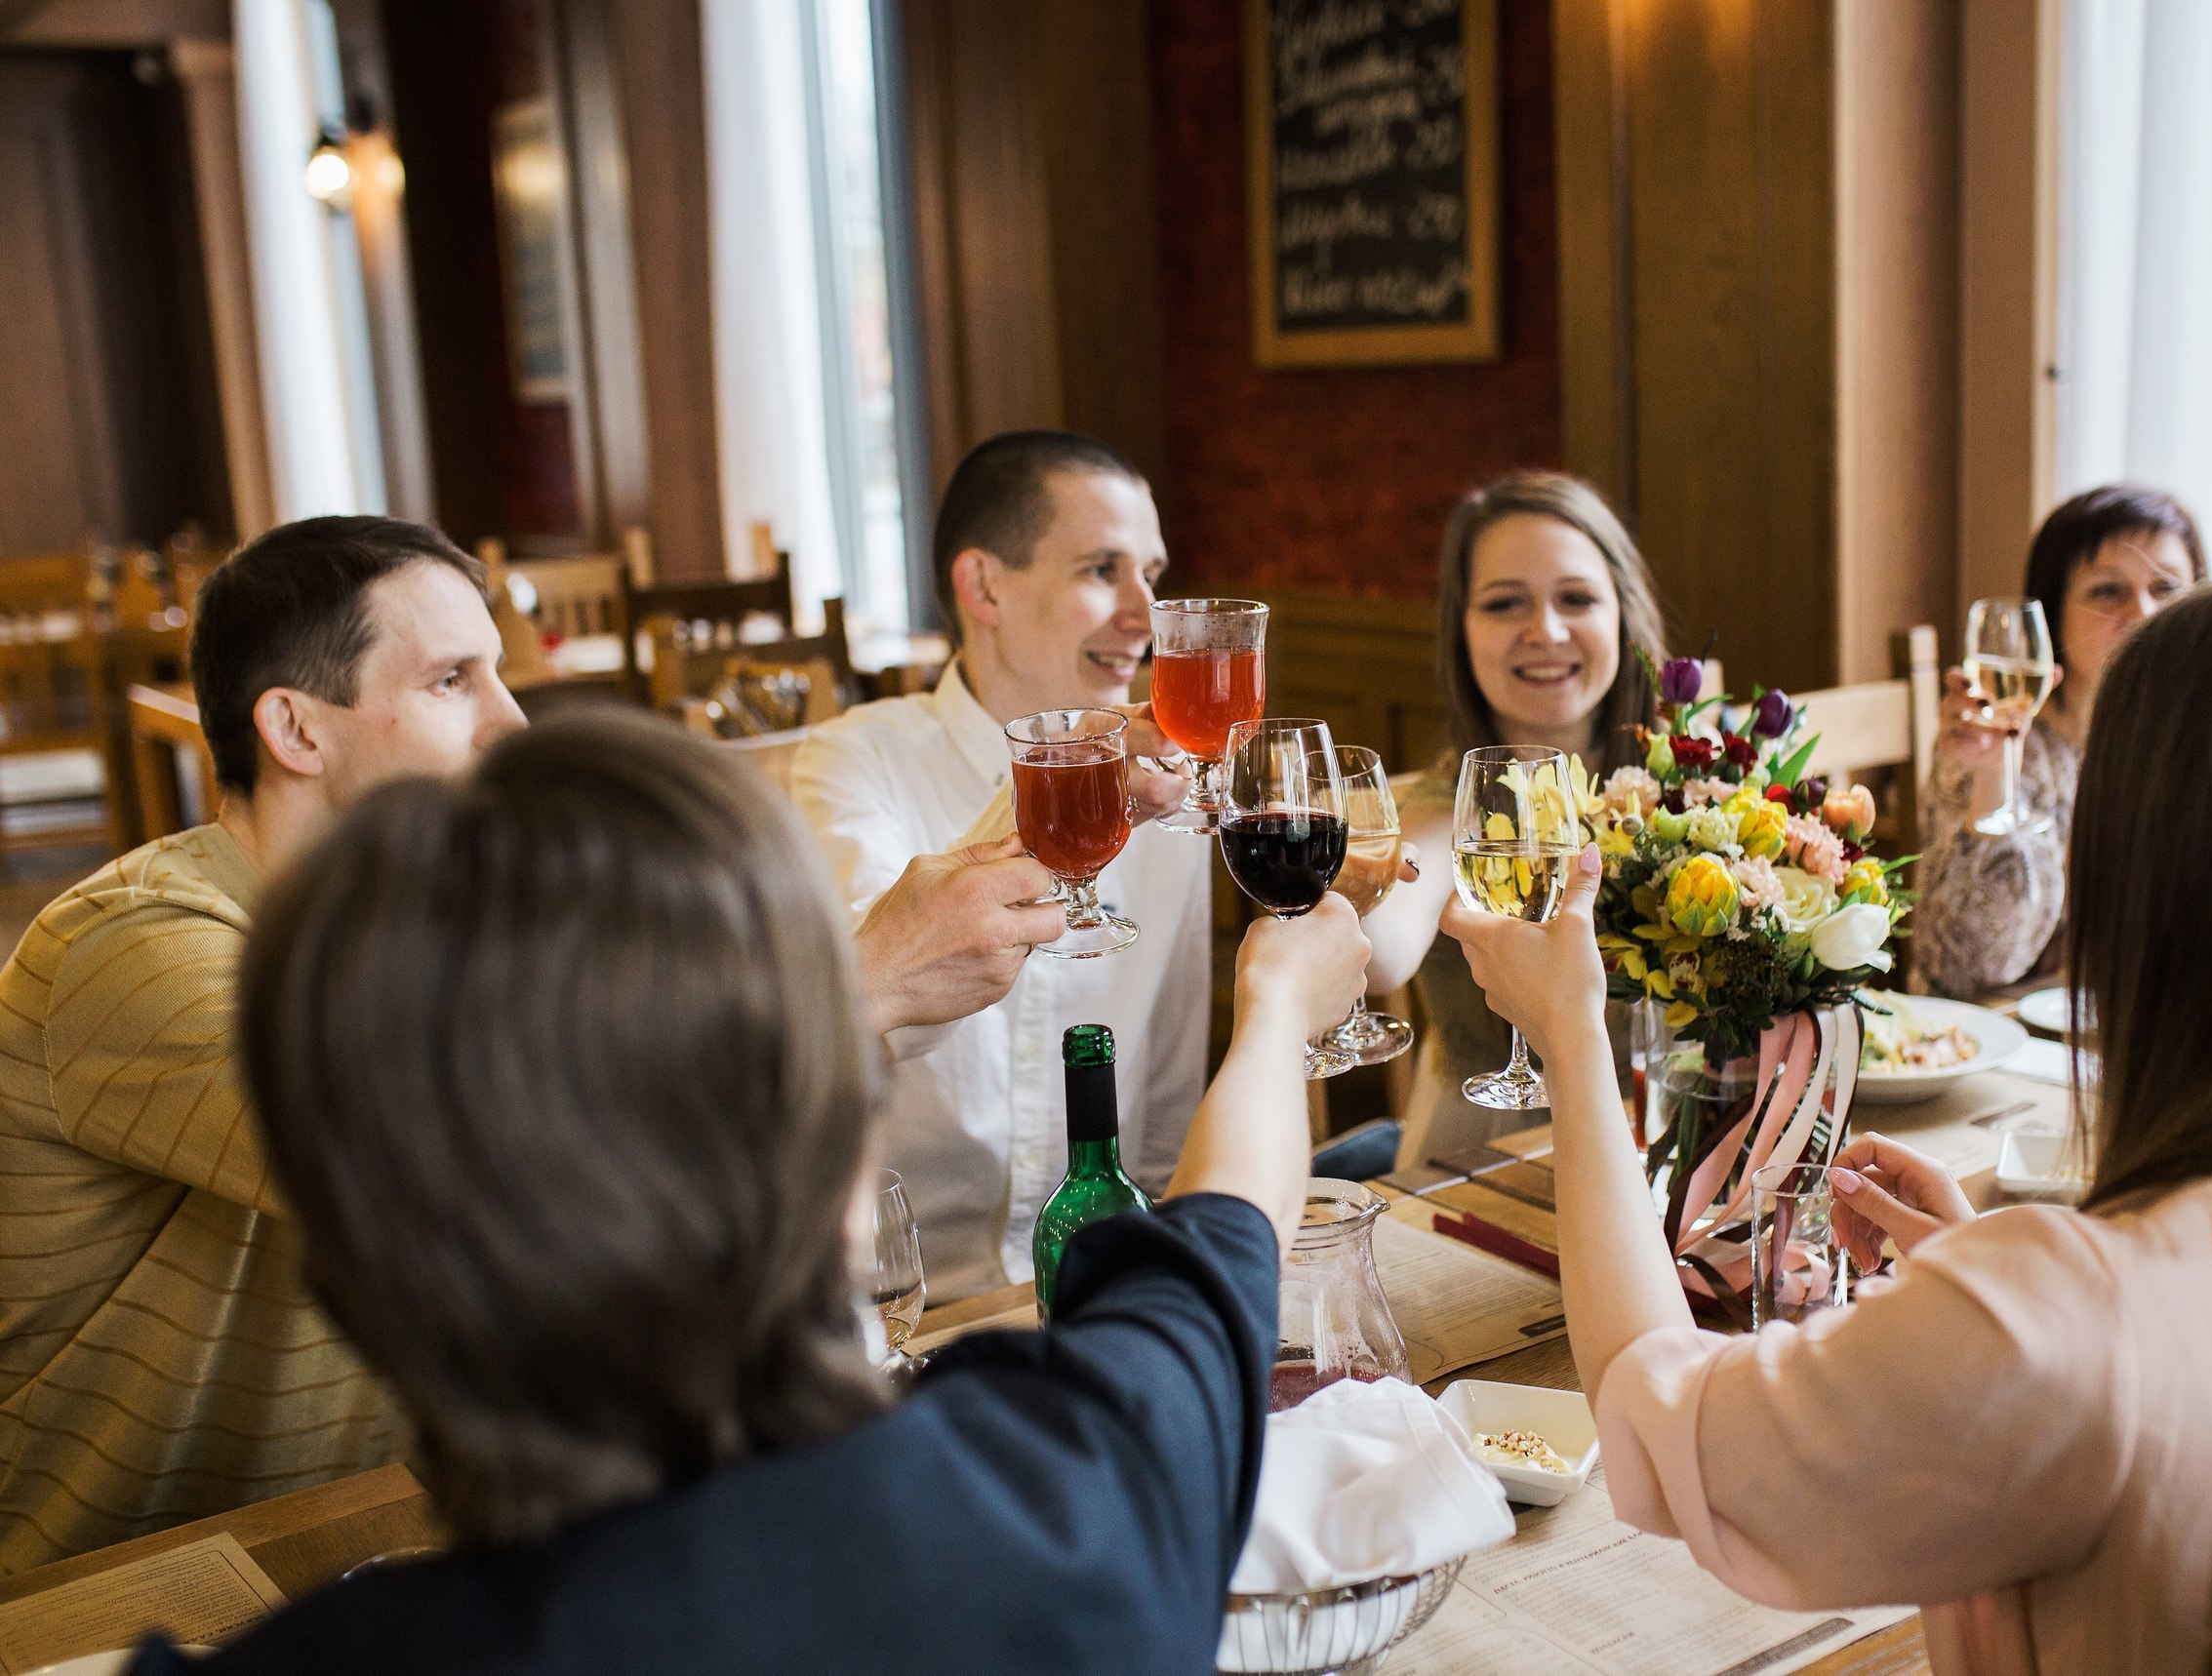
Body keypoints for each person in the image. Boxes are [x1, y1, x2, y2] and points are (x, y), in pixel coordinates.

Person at [130, 711, 1370, 1675]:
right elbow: (1223, 1238)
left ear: (345, 1279)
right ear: (840, 1182)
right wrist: (1272, 1012)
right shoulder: (1066, 1490)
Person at [1440, 564, 2212, 1674]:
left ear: (2169, 878)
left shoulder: (2066, 1325)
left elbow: (1654, 1414)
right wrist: (1985, 1280)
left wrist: (1569, 1036)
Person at [0, 516, 1057, 1574]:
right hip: (114, 1585)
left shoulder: (469, 921)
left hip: (380, 1540)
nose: (512, 722)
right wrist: (859, 981)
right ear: (297, 729)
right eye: (452, 680)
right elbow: (455, 1170)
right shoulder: (126, 947)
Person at [791, 429, 1204, 1300]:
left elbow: (1168, 1097)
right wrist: (1064, 782)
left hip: (1098, 1292)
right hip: (896, 1306)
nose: (1145, 612)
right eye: (1102, 571)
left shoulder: (1166, 797)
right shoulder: (847, 760)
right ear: (982, 586)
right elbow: (894, 1008)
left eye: (1153, 577)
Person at [1356, 470, 1669, 1166]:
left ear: (1623, 612)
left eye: (1577, 598)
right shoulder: (1450, 810)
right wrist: (1352, 883)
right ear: (1461, 632)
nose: (1546, 631)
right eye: (1504, 604)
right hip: (1490, 1162)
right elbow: (1382, 952)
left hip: (1668, 1139)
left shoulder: (1682, 786)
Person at [1914, 485, 2204, 997]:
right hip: (2002, 1036)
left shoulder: (2196, 741)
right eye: (2108, 592)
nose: (2143, 614)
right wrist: (1990, 780)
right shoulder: (1995, 743)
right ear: (2050, 616)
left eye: (2166, 589)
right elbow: (1968, 970)